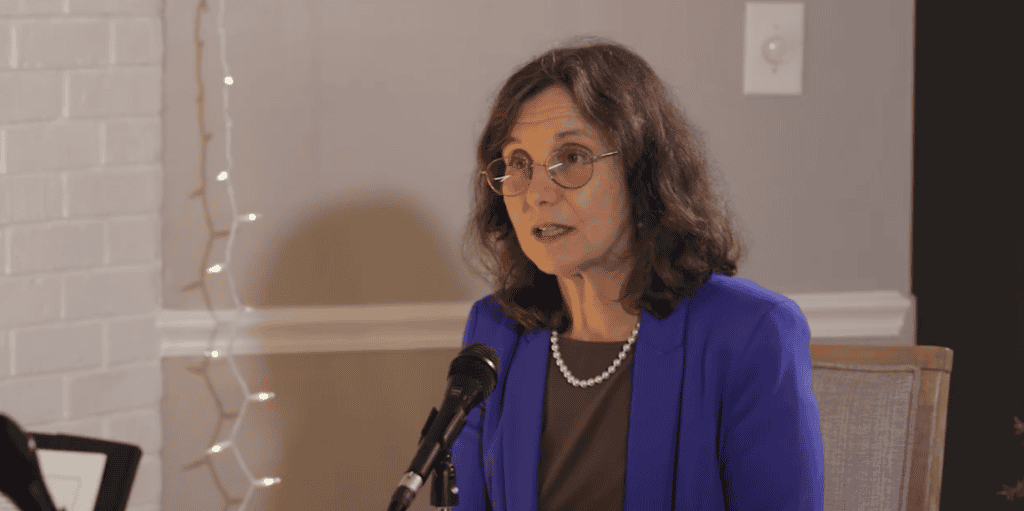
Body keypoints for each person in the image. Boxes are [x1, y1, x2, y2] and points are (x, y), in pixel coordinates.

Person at [452, 38, 825, 511]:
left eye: (572, 157)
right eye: (518, 164)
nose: (537, 194)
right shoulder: (494, 333)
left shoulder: (751, 333)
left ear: (640, 170)